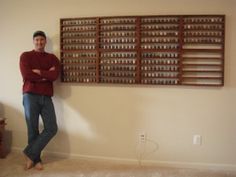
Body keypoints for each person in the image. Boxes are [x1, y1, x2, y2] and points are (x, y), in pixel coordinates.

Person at [19, 31, 60, 170]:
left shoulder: (52, 58)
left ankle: (29, 153)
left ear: (45, 42)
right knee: (32, 128)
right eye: (37, 40)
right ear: (33, 41)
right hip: (30, 95)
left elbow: (54, 75)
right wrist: (45, 75)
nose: (39, 42)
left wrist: (40, 72)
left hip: (46, 96)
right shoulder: (26, 56)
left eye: (42, 40)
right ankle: (36, 160)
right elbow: (27, 74)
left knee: (52, 128)